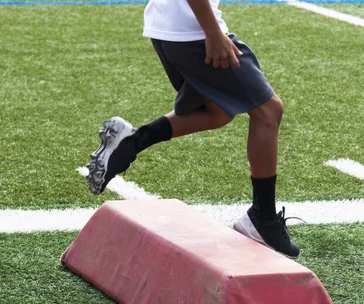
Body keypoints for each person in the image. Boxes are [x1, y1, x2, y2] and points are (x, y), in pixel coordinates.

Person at [84, 0, 300, 258]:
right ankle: (263, 218)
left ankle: (132, 142)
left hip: (170, 27)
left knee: (217, 112)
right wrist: (213, 33)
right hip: (192, 31)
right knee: (269, 111)